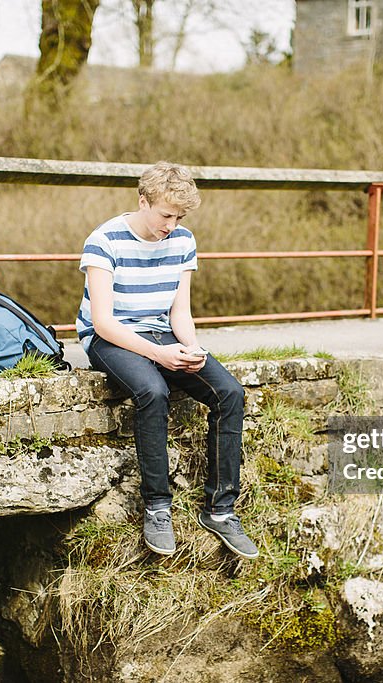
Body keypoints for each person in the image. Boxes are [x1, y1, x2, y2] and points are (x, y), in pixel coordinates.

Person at [76, 161, 258, 560]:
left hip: (163, 332)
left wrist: (190, 348)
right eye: (165, 215)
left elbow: (180, 312)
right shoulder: (103, 240)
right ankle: (158, 507)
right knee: (153, 391)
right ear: (143, 201)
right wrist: (158, 355)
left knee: (230, 393)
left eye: (179, 217)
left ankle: (221, 510)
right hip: (111, 338)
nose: (171, 225)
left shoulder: (183, 240)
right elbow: (103, 323)